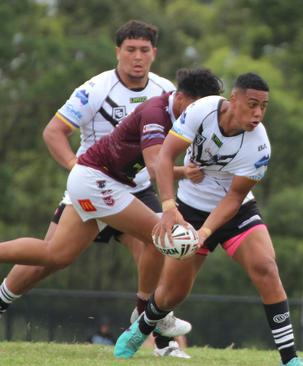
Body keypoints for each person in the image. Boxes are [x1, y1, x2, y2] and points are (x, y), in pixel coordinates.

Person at [0, 20, 196, 356]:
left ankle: (158, 339)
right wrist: (74, 166)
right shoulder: (95, 88)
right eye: (130, 50)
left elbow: (171, 146)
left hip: (135, 186)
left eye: (144, 50)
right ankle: (146, 320)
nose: (137, 57)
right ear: (117, 51)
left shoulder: (166, 91)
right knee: (52, 259)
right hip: (96, 183)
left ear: (154, 54)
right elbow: (53, 132)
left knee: (154, 247)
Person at [113, 73, 303, 366]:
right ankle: (141, 328)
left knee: (266, 268)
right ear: (233, 100)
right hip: (189, 209)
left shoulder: (259, 147)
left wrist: (204, 232)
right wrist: (169, 207)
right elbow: (166, 157)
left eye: (264, 107)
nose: (257, 113)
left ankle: (290, 358)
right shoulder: (201, 109)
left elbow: (234, 197)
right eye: (252, 104)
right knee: (172, 293)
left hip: (235, 211)